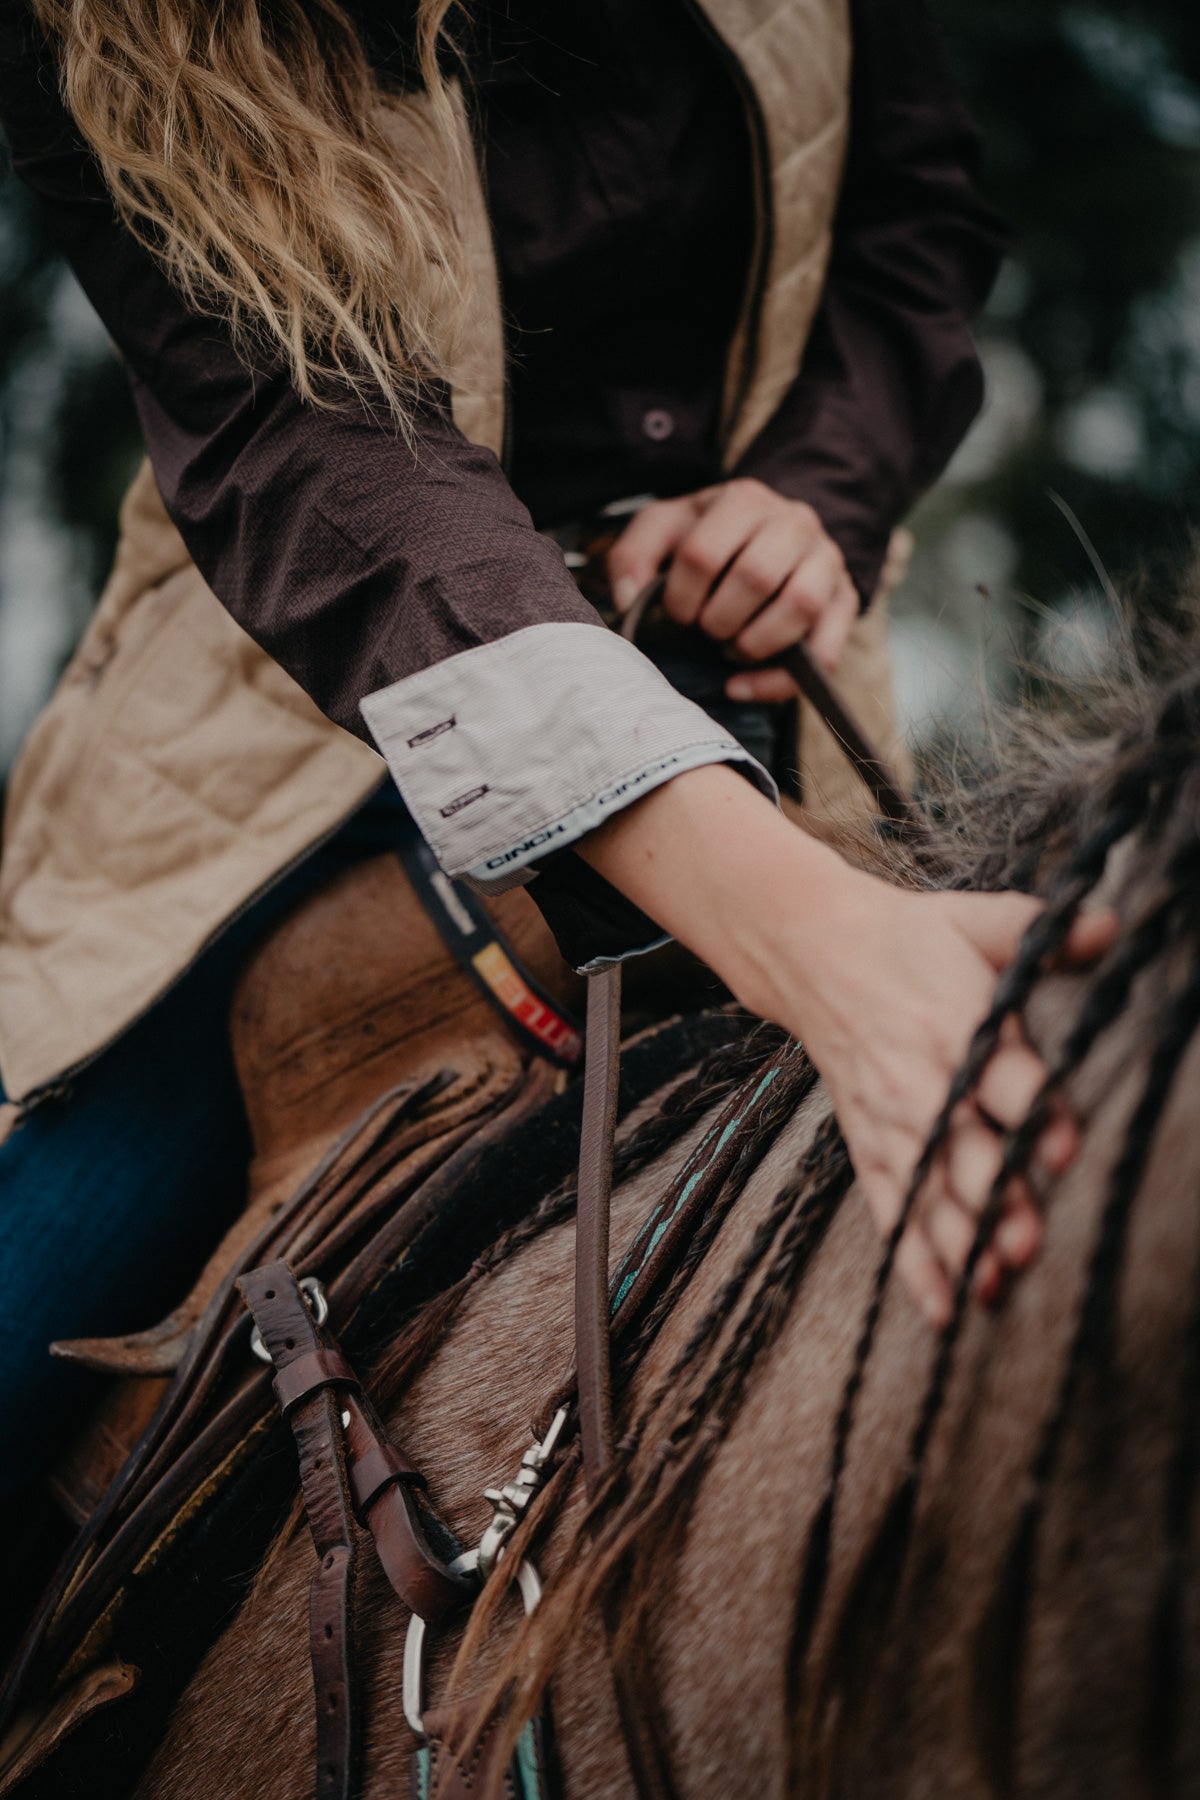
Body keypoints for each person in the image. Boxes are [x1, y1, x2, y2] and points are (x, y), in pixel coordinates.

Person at [0, 0, 1112, 1497]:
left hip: (768, 703)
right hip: (281, 746)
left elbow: (913, 211)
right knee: (31, 1303)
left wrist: (812, 498)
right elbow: (312, 446)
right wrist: (823, 945)